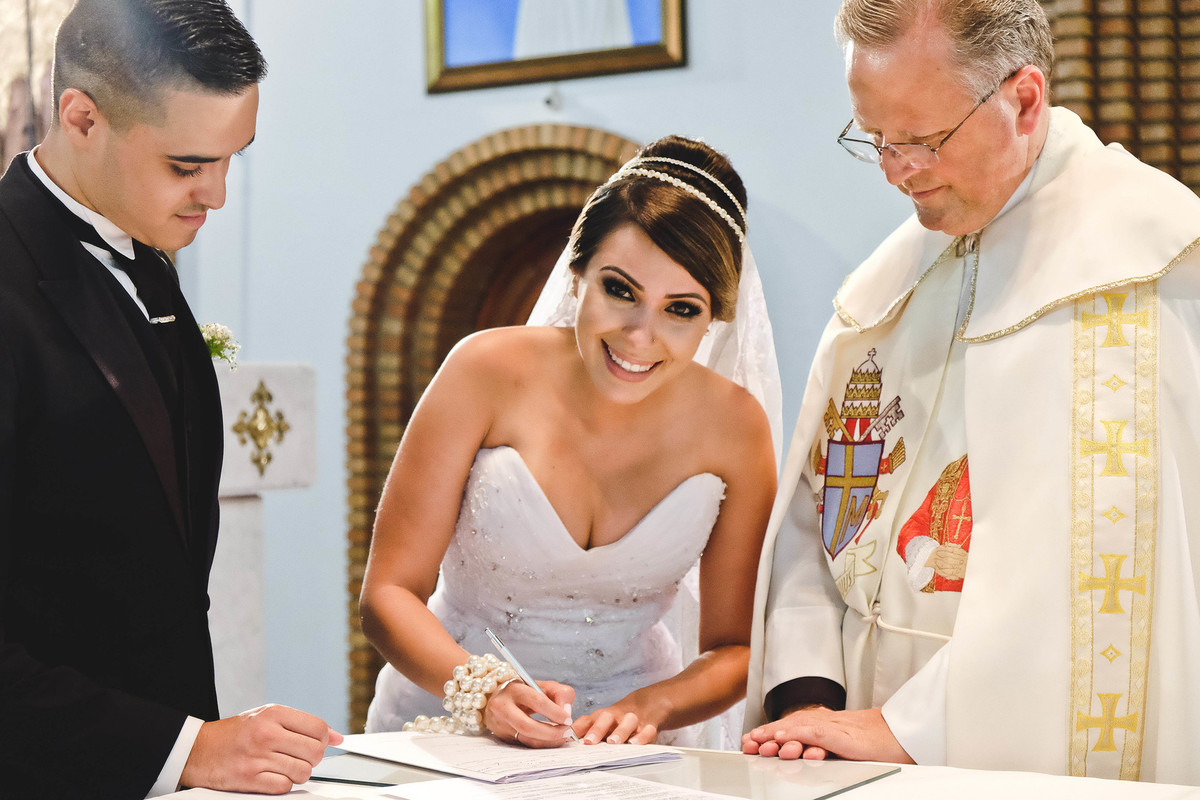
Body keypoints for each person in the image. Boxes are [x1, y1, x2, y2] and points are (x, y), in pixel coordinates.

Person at [743, 0, 1200, 785]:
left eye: (923, 140)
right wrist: (808, 695)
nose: (896, 170)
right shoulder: (888, 288)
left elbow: (1097, 573)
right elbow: (823, 512)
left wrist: (907, 729)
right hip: (843, 753)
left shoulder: (1140, 276)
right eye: (874, 139)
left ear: (1023, 100)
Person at [0, 1, 340, 796]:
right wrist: (183, 749)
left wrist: (194, 747)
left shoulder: (145, 259)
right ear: (82, 118)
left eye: (231, 159)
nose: (216, 195)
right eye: (187, 166)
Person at [360, 135, 780, 749]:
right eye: (621, 290)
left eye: (681, 310)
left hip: (630, 745)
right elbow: (388, 593)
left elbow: (736, 646)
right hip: (449, 718)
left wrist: (655, 703)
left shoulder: (737, 429)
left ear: (715, 316)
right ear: (577, 274)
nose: (640, 336)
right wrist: (483, 690)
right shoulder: (483, 371)